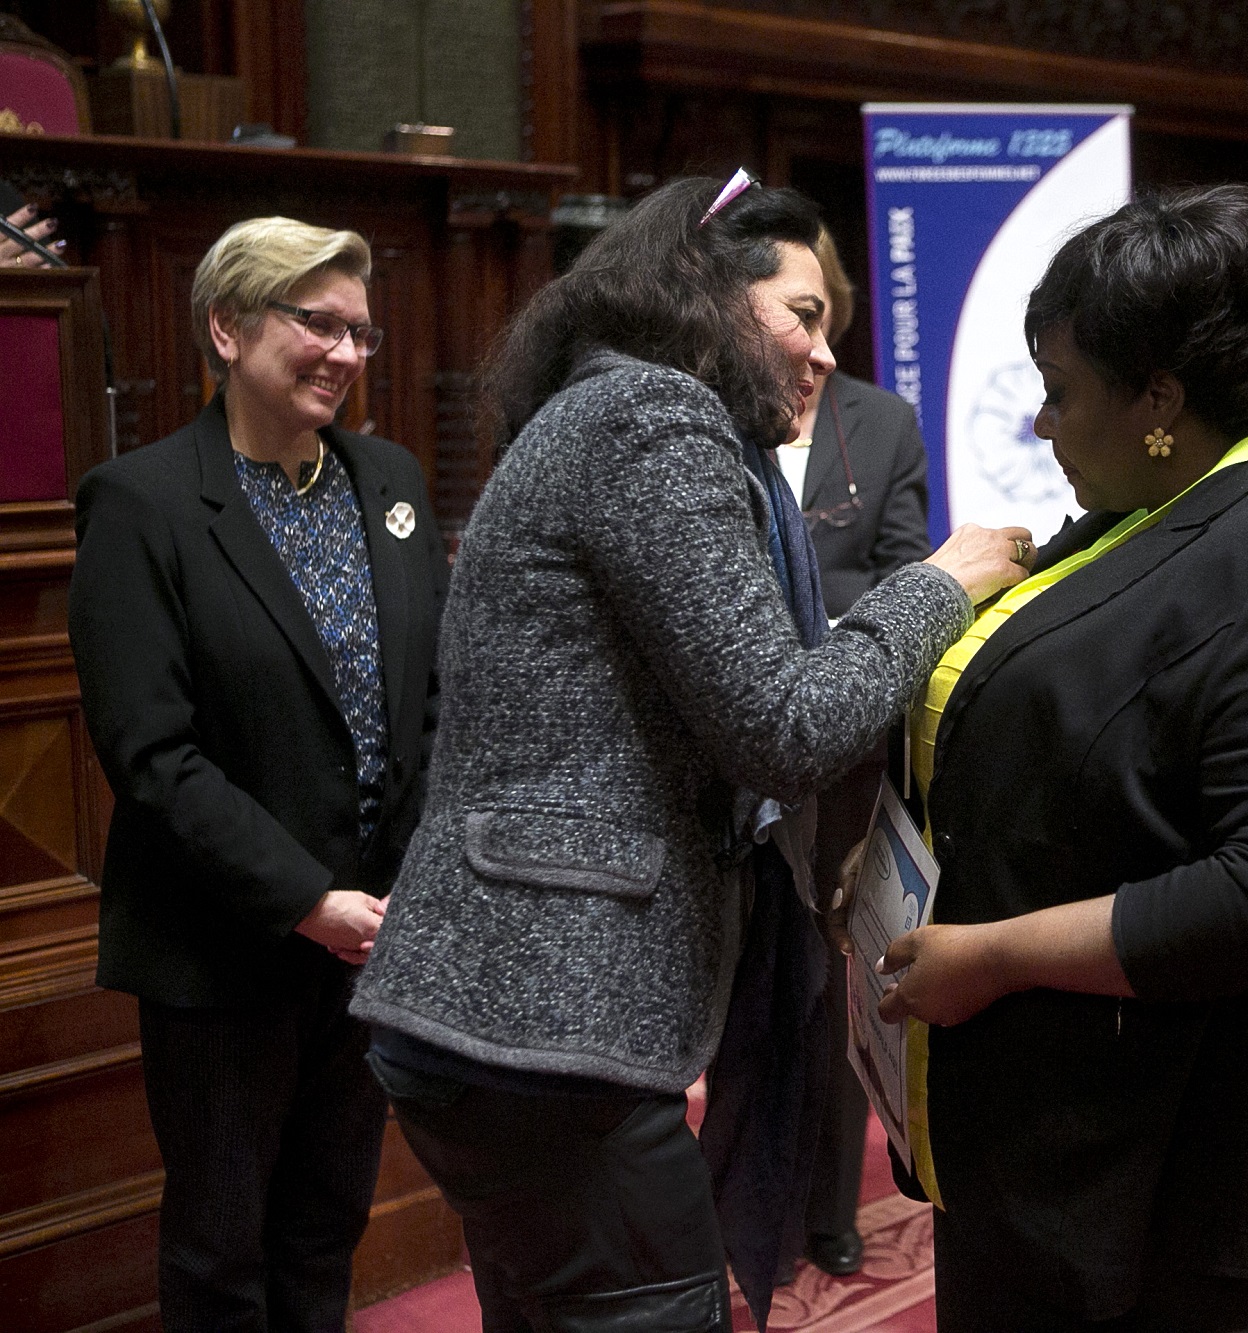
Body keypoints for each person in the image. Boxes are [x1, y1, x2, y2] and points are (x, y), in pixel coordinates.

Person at [348, 175, 1030, 1332]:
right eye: (801, 316)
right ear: (708, 292)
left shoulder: (606, 407)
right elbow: (785, 723)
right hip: (542, 1020)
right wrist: (937, 584)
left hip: (506, 1012)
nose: (822, 357)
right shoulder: (649, 419)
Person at [843, 184, 1248, 1332]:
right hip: (1064, 1136)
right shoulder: (1147, 504)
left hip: (1199, 1171)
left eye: (1060, 394)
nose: (1041, 425)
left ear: (1159, 396)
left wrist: (994, 955)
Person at [67, 217, 450, 1330]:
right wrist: (305, 904)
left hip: (366, 943)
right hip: (223, 949)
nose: (344, 351)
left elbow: (424, 708)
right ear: (227, 328)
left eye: (361, 332)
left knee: (326, 1223)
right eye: (316, 322)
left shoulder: (389, 479)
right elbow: (152, 755)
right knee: (222, 1251)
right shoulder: (141, 504)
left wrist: (393, 895)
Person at [778, 227, 932, 1280]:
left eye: (818, 310)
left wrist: (795, 625)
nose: (813, 335)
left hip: (842, 746)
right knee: (754, 987)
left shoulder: (880, 423)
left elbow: (904, 577)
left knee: (832, 977)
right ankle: (735, 1195)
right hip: (727, 751)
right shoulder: (703, 424)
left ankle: (828, 1205)